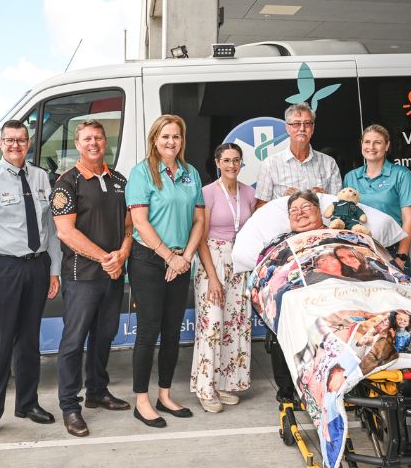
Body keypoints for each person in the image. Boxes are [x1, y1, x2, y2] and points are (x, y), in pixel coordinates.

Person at [0, 120, 62, 447]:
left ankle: (28, 403)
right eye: (9, 140)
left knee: (29, 342)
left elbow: (50, 228)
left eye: (21, 140)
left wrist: (54, 270)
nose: (15, 146)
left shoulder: (40, 177)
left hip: (36, 268)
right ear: (2, 143)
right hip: (2, 270)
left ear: (29, 142)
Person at [51, 120, 132, 437]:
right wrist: (105, 259)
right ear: (77, 143)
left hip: (113, 274)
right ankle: (70, 406)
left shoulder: (120, 181)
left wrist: (122, 255)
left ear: (105, 141)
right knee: (73, 342)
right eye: (87, 138)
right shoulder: (67, 183)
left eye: (98, 137)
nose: (94, 143)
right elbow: (65, 232)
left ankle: (97, 392)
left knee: (104, 336)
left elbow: (129, 226)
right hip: (82, 276)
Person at [126, 114, 206, 428]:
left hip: (180, 260)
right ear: (154, 139)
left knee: (172, 332)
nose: (171, 142)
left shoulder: (190, 173)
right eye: (165, 137)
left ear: (181, 141)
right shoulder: (142, 172)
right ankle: (142, 401)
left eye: (176, 137)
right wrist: (167, 257)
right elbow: (140, 222)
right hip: (148, 260)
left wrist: (184, 257)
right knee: (148, 333)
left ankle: (165, 394)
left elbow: (199, 220)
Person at [190, 143, 256, 413]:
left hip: (240, 261)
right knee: (212, 324)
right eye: (226, 160)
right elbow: (201, 237)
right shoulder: (207, 193)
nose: (231, 165)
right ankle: (205, 388)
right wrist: (213, 278)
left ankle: (224, 383)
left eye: (236, 160)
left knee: (235, 324)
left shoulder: (249, 193)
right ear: (217, 162)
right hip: (212, 259)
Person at [256, 190, 327, 402]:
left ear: (319, 211)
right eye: (293, 210)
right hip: (297, 300)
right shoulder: (279, 243)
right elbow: (263, 274)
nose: (300, 213)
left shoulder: (337, 233)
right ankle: (287, 390)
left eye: (306, 207)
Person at [342, 124, 411, 273]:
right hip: (360, 249)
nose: (372, 147)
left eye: (378, 142)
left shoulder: (402, 175)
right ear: (361, 144)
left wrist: (401, 257)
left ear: (387, 146)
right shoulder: (351, 177)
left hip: (392, 249)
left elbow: (409, 219)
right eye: (367, 142)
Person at [254, 102, 341, 208]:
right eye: (296, 124)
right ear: (287, 128)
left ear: (313, 128)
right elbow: (259, 207)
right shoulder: (270, 164)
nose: (302, 128)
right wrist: (283, 201)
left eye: (307, 123)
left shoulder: (329, 163)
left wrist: (325, 197)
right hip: (284, 224)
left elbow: (339, 204)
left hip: (321, 224)